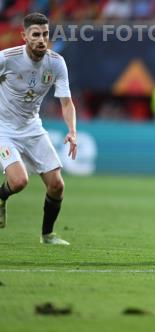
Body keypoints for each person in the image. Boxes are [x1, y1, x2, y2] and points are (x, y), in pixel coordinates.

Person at [0, 13, 77, 245]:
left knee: (57, 185)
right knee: (19, 181)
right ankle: (2, 195)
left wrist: (72, 131)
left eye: (45, 34)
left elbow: (66, 102)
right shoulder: (6, 58)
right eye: (36, 35)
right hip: (3, 129)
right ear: (24, 36)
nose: (42, 39)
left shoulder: (56, 62)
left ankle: (47, 235)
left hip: (32, 127)